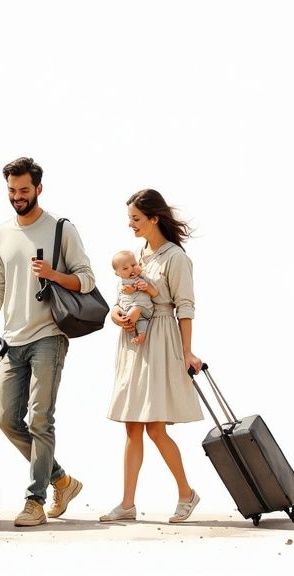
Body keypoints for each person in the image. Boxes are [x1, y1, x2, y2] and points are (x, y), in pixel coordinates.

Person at [0, 156, 95, 527]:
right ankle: (62, 480)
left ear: (38, 188)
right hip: (11, 340)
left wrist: (53, 274)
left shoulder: (60, 229)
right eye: (12, 191)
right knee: (6, 419)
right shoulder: (1, 234)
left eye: (24, 190)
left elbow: (87, 280)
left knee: (39, 419)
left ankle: (34, 501)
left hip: (49, 336)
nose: (18, 197)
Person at [101, 188, 205, 524]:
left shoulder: (176, 258)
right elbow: (123, 293)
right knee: (132, 427)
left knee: (156, 427)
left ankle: (187, 494)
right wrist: (116, 313)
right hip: (134, 343)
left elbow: (184, 308)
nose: (130, 224)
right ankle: (127, 504)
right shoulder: (136, 254)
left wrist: (187, 351)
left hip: (160, 341)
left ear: (153, 219)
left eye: (136, 219)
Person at [111, 250, 156, 345]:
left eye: (133, 265)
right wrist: (115, 314)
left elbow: (155, 293)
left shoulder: (141, 279)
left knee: (135, 310)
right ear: (117, 273)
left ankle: (130, 326)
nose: (131, 269)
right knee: (139, 321)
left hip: (144, 309)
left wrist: (146, 287)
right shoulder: (120, 285)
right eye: (125, 268)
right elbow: (119, 301)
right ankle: (140, 336)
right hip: (131, 312)